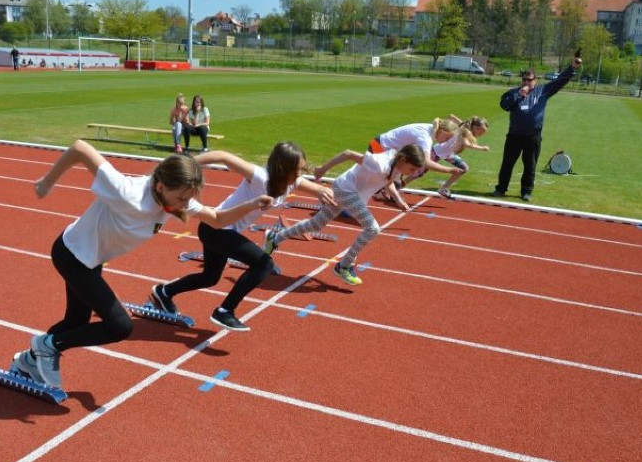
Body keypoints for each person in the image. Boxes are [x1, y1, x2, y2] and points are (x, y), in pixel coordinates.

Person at [11, 140, 274, 389]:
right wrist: (47, 181)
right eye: (182, 198)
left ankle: (29, 360)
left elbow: (216, 218)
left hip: (90, 260)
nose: (185, 204)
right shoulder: (128, 192)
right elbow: (80, 148)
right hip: (71, 255)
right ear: (161, 187)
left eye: (188, 199)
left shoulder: (174, 197)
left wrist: (251, 204)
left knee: (75, 323)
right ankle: (46, 347)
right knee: (120, 327)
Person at [150, 143, 335, 331]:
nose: (299, 174)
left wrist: (319, 190)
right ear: (282, 168)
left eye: (301, 169)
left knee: (210, 278)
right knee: (264, 264)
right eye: (296, 170)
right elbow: (222, 156)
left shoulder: (289, 181)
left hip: (218, 230)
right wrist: (175, 168)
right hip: (216, 228)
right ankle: (225, 311)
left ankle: (163, 292)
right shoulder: (260, 176)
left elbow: (302, 183)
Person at [263, 144, 425, 286]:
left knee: (316, 225)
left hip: (348, 191)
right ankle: (344, 266)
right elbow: (348, 153)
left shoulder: (396, 167)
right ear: (403, 160)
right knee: (372, 228)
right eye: (412, 169)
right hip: (345, 190)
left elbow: (388, 182)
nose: (411, 173)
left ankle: (275, 237)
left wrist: (398, 199)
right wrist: (323, 169)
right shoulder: (379, 164)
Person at [494, 56, 583, 202]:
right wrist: (519, 94)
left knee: (530, 165)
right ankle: (501, 189)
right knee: (507, 163)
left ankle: (526, 192)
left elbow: (559, 81)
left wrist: (572, 67)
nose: (526, 82)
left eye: (529, 80)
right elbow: (504, 105)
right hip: (514, 135)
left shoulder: (543, 91)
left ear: (535, 80)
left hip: (533, 136)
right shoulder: (513, 92)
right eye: (524, 79)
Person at [367, 118, 461, 200]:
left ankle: (382, 191)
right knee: (380, 178)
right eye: (447, 137)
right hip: (379, 148)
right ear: (441, 132)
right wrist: (449, 170)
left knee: (395, 176)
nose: (447, 140)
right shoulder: (425, 138)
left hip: (383, 147)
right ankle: (373, 193)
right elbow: (426, 163)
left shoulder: (429, 128)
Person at [426, 116, 490, 199]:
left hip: (448, 154)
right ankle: (404, 181)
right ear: (475, 128)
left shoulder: (465, 127)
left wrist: (453, 120)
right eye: (481, 132)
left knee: (464, 168)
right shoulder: (466, 132)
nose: (481, 135)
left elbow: (451, 116)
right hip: (438, 151)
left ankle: (444, 188)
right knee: (419, 170)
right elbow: (466, 144)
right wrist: (482, 148)